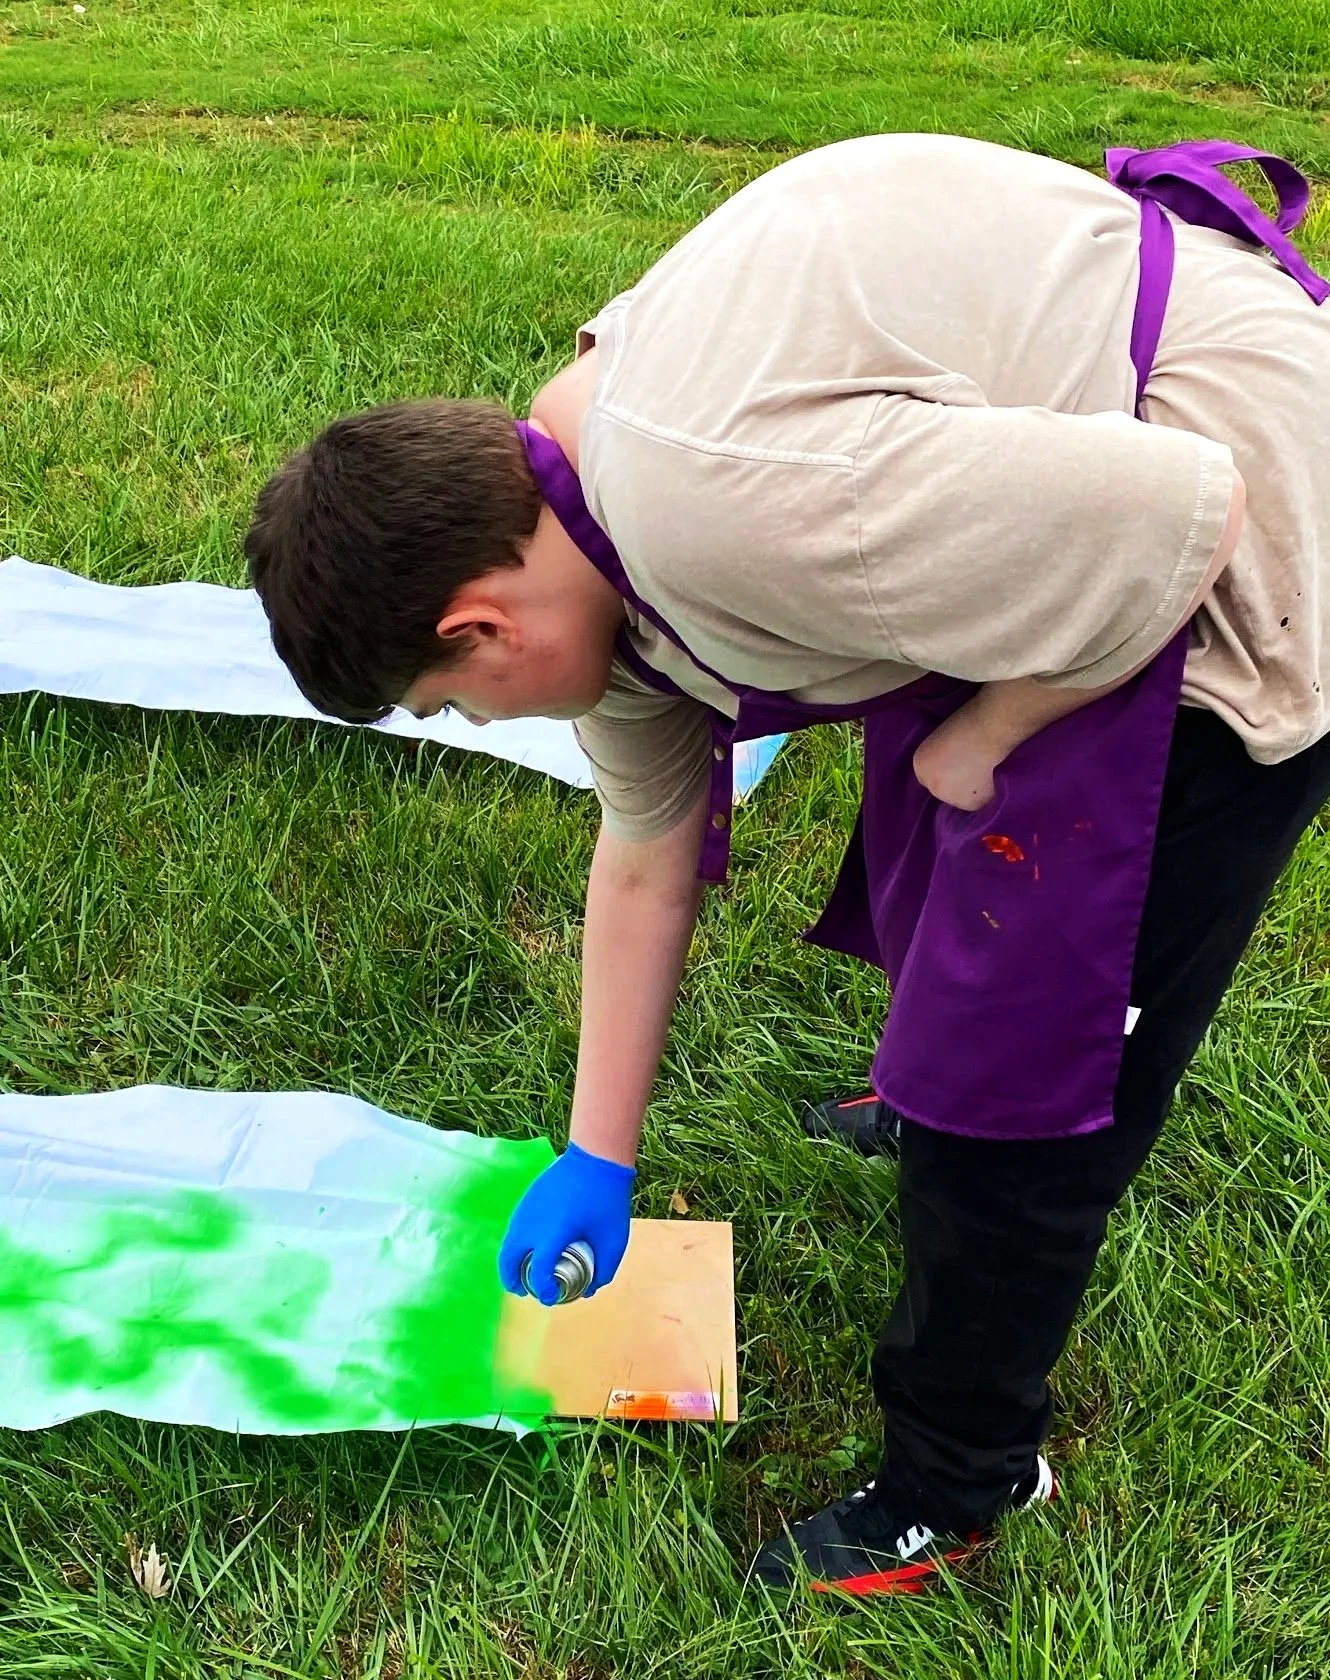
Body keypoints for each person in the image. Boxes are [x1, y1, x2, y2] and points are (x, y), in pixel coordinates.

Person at [245, 133, 1330, 1596]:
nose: (472, 722)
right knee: (956, 850)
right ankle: (926, 1085)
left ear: (482, 623)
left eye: (446, 703)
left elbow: (1186, 518)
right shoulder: (587, 541)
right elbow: (646, 855)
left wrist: (992, 725)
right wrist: (595, 1153)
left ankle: (961, 1475)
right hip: (1053, 478)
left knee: (1022, 1079)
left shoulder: (719, 513)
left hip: (1251, 501)